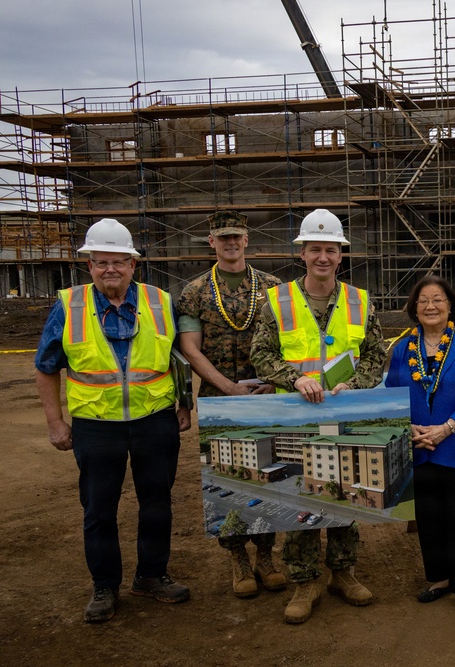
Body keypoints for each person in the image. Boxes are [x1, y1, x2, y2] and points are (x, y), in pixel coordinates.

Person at [34, 218, 192, 623]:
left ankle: (152, 576)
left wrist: (185, 405)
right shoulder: (68, 306)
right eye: (101, 262)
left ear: (133, 265)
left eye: (118, 262)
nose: (110, 270)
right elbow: (47, 366)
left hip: (155, 420)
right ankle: (104, 585)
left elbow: (180, 357)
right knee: (98, 509)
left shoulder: (160, 301)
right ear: (89, 265)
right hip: (95, 426)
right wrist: (56, 422)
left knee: (157, 504)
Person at [250, 209, 387, 624]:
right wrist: (294, 379)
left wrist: (355, 385)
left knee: (347, 489)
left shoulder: (361, 301)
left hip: (344, 415)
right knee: (303, 496)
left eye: (331, 249)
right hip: (296, 418)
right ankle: (304, 580)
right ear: (303, 254)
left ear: (340, 256)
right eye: (315, 249)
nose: (323, 257)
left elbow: (376, 356)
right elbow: (261, 354)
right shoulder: (276, 301)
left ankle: (342, 571)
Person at [177, 211, 287, 599]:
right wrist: (227, 388)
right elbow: (190, 347)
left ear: (246, 239)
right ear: (212, 241)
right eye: (223, 237)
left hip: (266, 398)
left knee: (270, 475)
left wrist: (273, 385)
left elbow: (286, 343)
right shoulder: (194, 292)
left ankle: (266, 555)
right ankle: (238, 557)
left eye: (236, 236)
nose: (231, 243)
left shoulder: (273, 288)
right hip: (220, 400)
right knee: (227, 480)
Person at [385, 275, 455, 622]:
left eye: (438, 299)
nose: (430, 306)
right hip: (418, 446)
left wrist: (446, 429)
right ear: (414, 308)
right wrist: (409, 427)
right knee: (429, 517)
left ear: (450, 305)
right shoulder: (402, 349)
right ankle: (440, 578)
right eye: (423, 300)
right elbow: (392, 394)